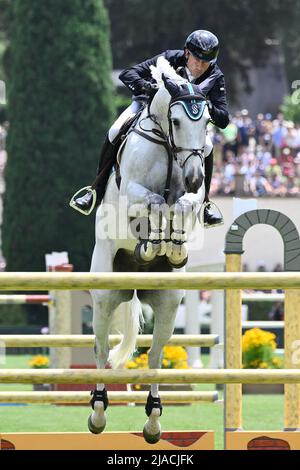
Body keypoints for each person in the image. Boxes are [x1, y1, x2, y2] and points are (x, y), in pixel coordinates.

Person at [72, 30, 229, 227]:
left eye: (205, 62)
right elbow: (128, 74)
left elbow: (223, 119)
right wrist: (148, 87)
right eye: (196, 60)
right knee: (115, 129)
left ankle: (205, 204)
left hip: (185, 125)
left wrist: (204, 103)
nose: (199, 66)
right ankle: (95, 189)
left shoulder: (215, 75)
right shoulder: (169, 59)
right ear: (187, 53)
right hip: (148, 107)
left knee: (207, 146)